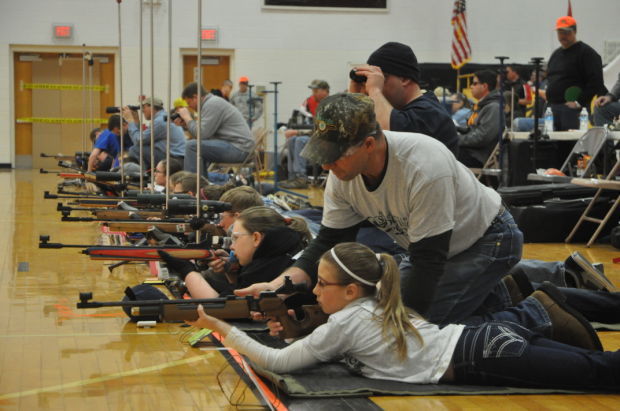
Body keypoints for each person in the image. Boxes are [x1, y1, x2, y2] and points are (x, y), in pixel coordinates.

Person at [188, 242, 619, 390]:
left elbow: (279, 363)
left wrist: (218, 326)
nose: (315, 291)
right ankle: (545, 309)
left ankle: (546, 307)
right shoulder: (371, 307)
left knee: (598, 374)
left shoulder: (346, 322)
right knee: (595, 369)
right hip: (483, 342)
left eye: (322, 284)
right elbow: (322, 347)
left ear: (351, 291)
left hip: (484, 353)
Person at [159, 206, 311, 298]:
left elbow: (219, 308)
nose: (231, 246)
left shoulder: (268, 267)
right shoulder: (282, 250)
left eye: (236, 238)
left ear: (256, 238)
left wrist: (186, 270)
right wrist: (231, 273)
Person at [350, 41, 459, 155]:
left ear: (404, 79)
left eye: (381, 79)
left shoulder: (430, 114)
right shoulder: (398, 109)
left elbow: (386, 138)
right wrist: (357, 97)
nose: (375, 85)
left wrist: (375, 90)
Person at [177, 82, 255, 176]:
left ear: (196, 97)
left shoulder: (212, 104)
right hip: (238, 147)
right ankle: (201, 186)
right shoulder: (210, 103)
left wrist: (187, 118)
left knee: (192, 146)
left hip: (239, 149)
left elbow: (201, 134)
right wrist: (187, 124)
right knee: (196, 147)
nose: (189, 107)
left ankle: (193, 186)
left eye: (189, 103)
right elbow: (204, 135)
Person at [546, 15, 607, 131]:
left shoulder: (587, 53)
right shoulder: (556, 54)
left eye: (566, 32)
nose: (562, 36)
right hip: (552, 109)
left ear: (574, 31)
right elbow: (551, 78)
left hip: (572, 111)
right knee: (553, 146)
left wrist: (579, 102)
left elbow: (596, 82)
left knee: (569, 144)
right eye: (560, 32)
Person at [280, 80, 330, 189]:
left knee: (300, 140)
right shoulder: (314, 104)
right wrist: (296, 132)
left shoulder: (329, 106)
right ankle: (292, 177)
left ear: (325, 91)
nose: (313, 93)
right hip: (318, 137)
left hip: (328, 140)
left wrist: (298, 132)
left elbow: (323, 130)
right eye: (313, 90)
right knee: (292, 140)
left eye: (316, 90)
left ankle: (301, 177)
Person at [122, 97, 186, 171]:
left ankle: (142, 177)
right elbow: (144, 139)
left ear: (151, 107)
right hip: (176, 157)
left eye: (143, 107)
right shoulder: (163, 117)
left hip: (175, 159)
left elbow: (138, 140)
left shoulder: (160, 121)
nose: (142, 110)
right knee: (139, 149)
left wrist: (130, 121)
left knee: (135, 150)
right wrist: (136, 120)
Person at [457, 69, 502, 168]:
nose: (471, 86)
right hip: (471, 151)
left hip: (478, 156)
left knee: (443, 154)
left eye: (474, 83)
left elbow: (482, 137)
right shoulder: (483, 106)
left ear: (485, 86)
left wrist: (457, 139)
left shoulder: (494, 107)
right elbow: (473, 130)